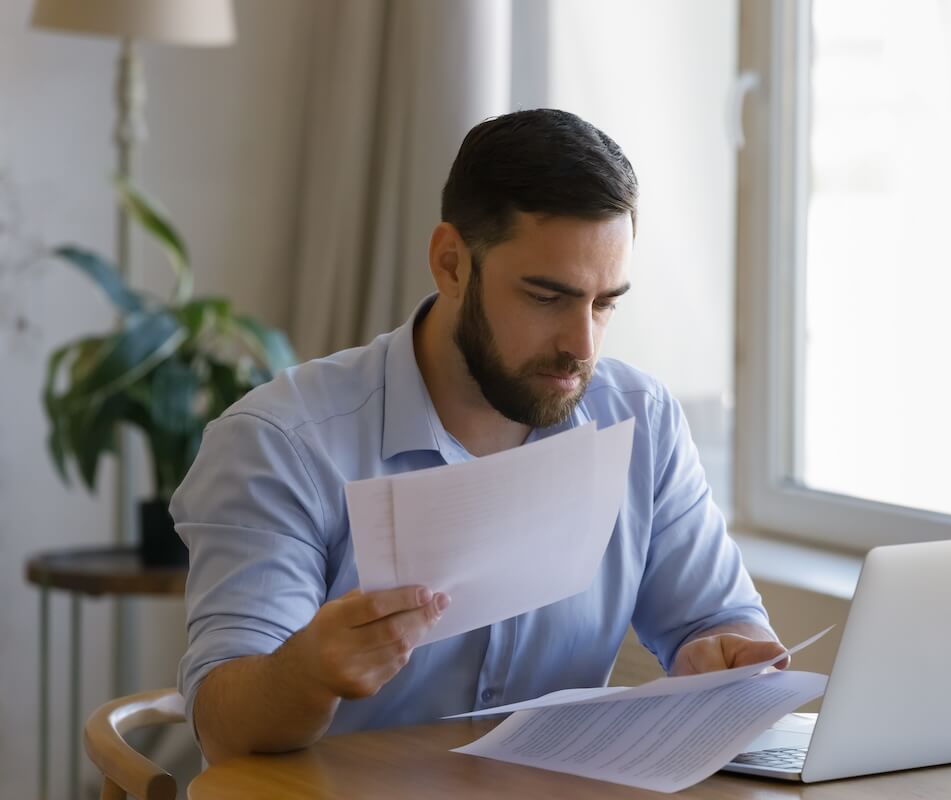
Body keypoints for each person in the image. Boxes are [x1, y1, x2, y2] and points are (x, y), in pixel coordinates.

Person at [173, 108, 787, 765]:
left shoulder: (643, 421)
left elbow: (717, 624)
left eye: (604, 303)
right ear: (450, 264)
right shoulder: (281, 442)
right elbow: (225, 727)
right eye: (546, 297)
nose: (582, 345)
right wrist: (308, 673)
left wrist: (721, 654)